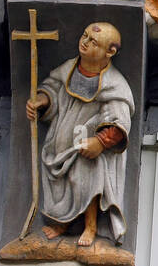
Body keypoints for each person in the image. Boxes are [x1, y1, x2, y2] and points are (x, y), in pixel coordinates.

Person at [24, 22, 132, 247]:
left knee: (88, 181)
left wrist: (101, 141)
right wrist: (41, 102)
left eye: (93, 42)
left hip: (88, 144)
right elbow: (53, 88)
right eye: (84, 36)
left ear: (109, 52)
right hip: (61, 140)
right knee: (64, 182)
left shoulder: (115, 85)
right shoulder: (68, 69)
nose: (85, 42)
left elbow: (119, 119)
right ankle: (63, 222)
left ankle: (90, 226)